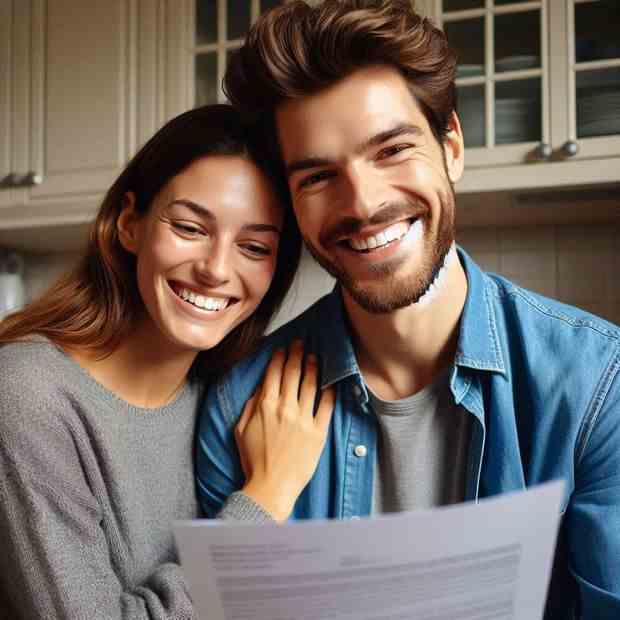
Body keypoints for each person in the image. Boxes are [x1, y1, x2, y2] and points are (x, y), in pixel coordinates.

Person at [195, 1, 620, 618]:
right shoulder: (239, 403)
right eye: (317, 177)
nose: (363, 204)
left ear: (451, 147)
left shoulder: (597, 385)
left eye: (392, 150)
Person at [0, 104, 334, 619]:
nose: (216, 270)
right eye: (190, 228)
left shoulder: (227, 394)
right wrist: (265, 498)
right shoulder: (27, 393)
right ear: (130, 224)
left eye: (253, 246)